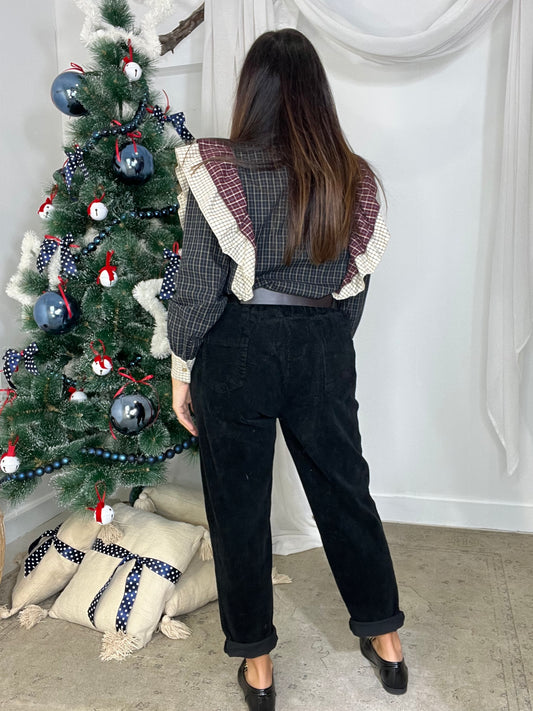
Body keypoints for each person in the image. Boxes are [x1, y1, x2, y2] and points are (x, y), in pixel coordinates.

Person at [168, 28, 408, 711]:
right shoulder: (352, 175)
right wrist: (325, 343)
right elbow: (355, 286)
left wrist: (182, 368)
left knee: (238, 507)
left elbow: (198, 284)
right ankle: (386, 640)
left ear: (253, 91)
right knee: (344, 490)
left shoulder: (217, 169)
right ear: (316, 93)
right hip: (322, 342)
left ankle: (258, 664)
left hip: (237, 346)